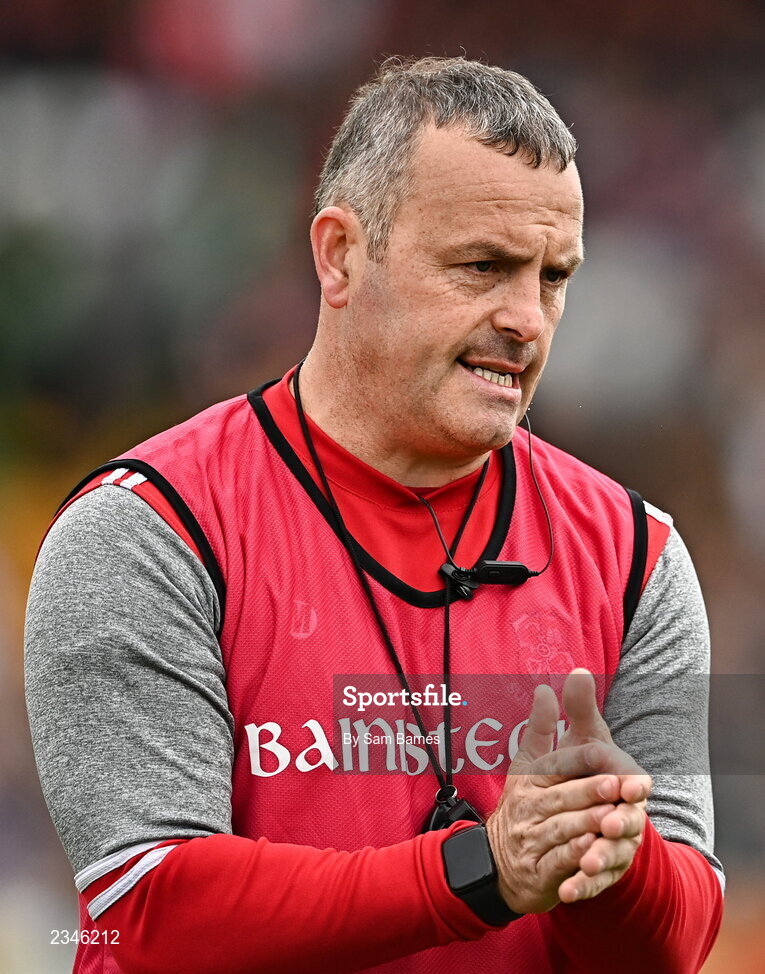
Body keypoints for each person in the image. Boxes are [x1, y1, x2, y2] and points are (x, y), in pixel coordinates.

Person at [25, 57, 723, 974]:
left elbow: (673, 945)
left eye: (552, 277)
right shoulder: (147, 533)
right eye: (483, 266)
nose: (527, 318)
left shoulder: (635, 554)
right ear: (340, 255)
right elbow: (148, 914)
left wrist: (609, 859)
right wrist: (482, 872)